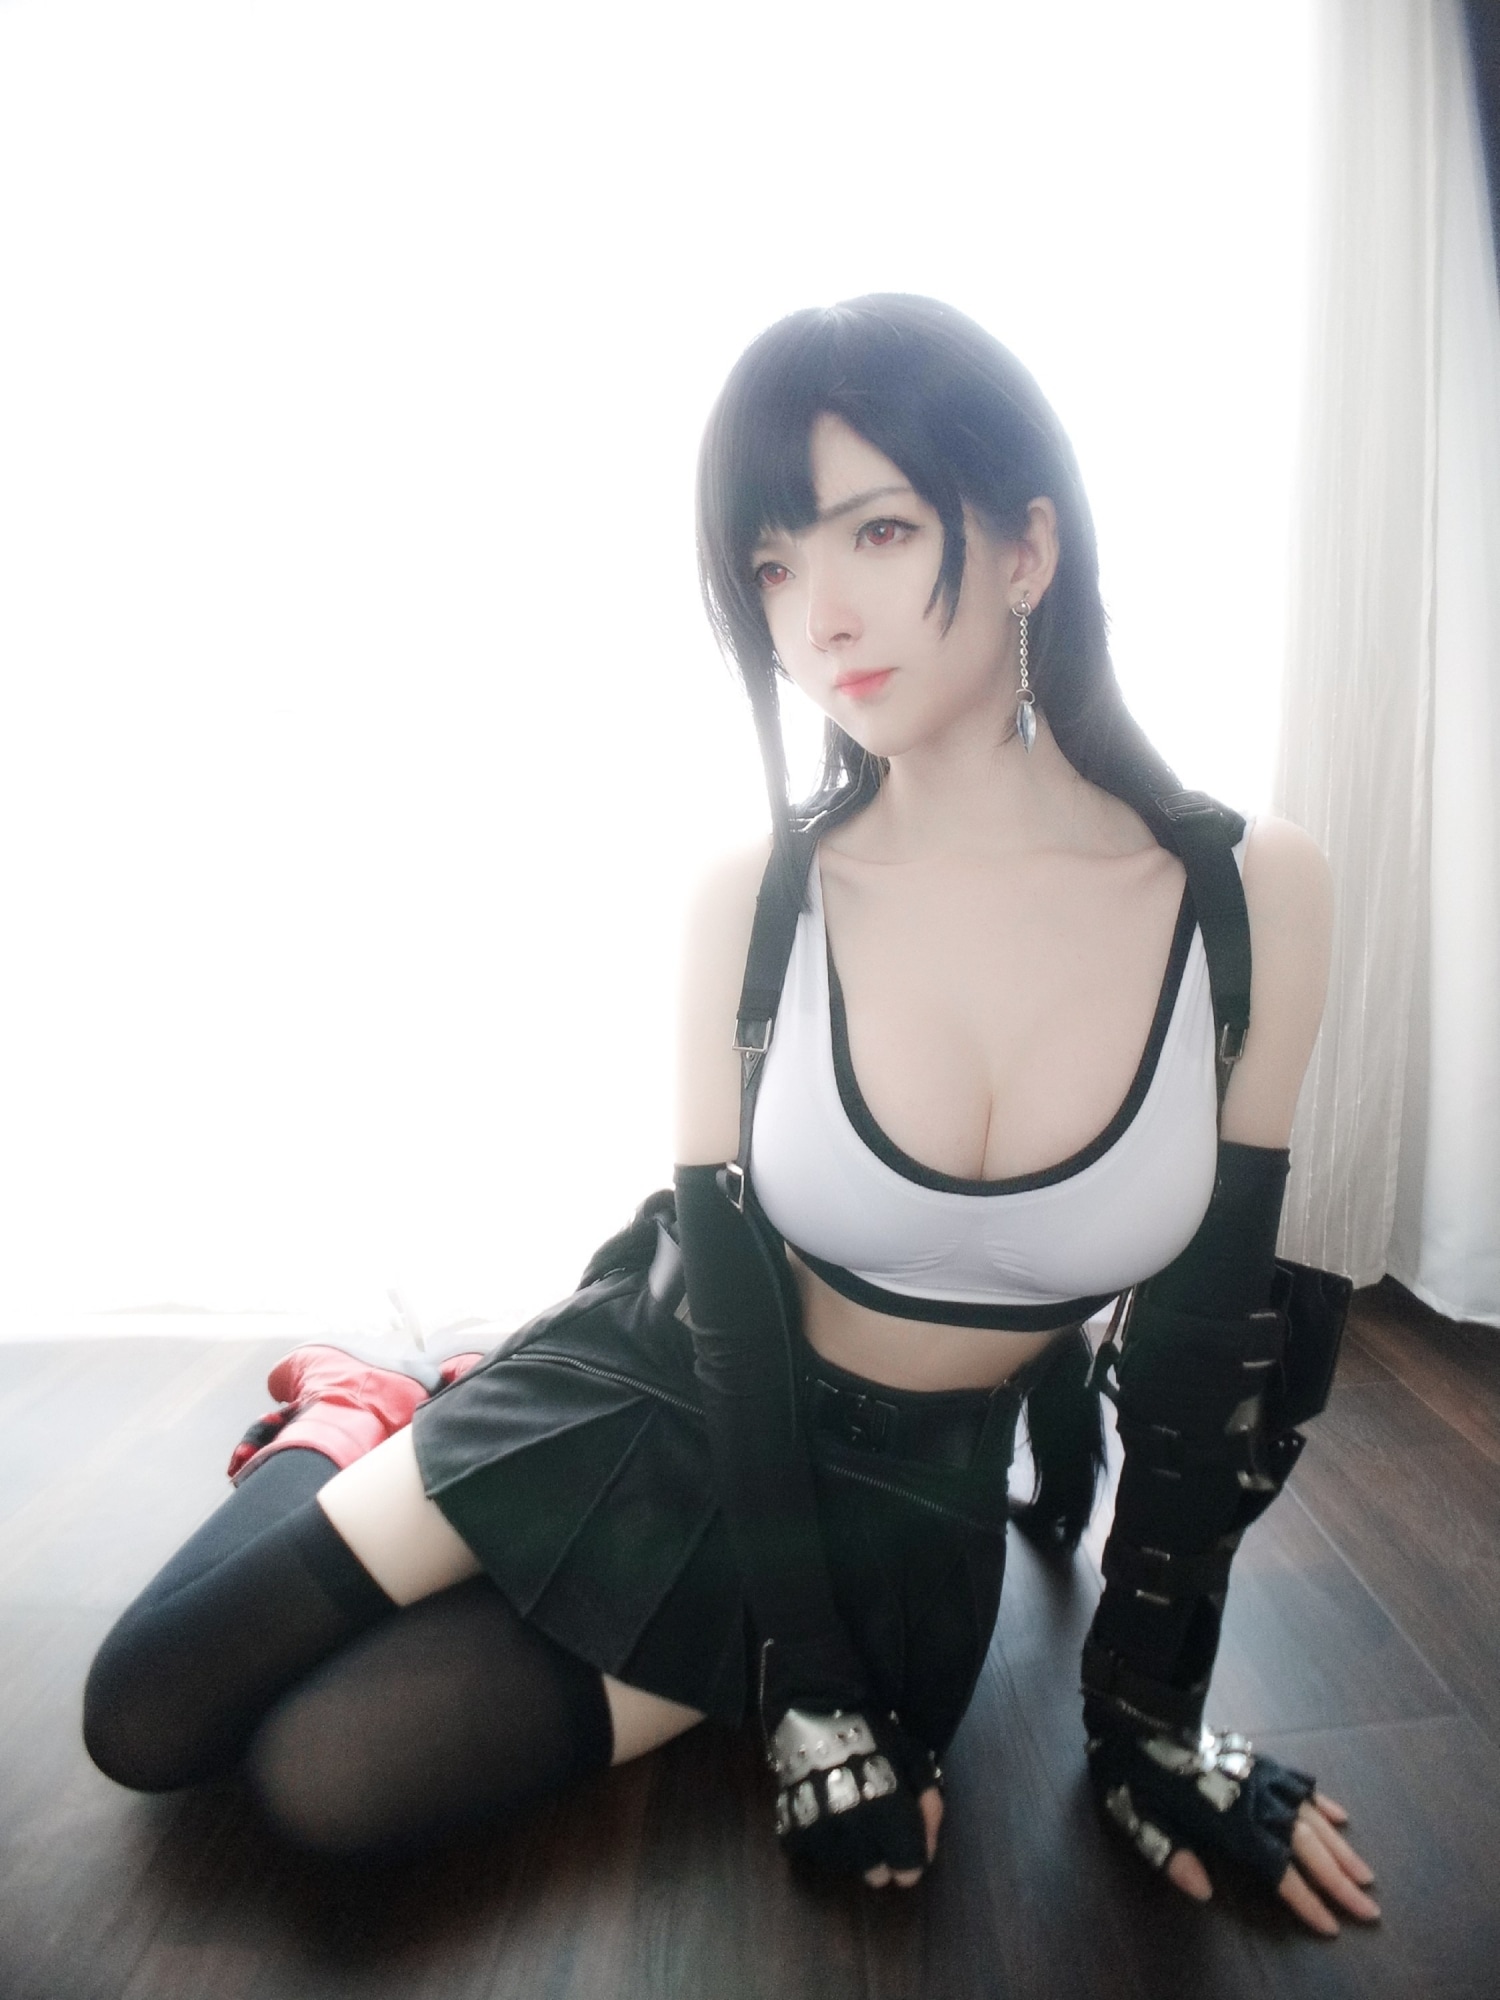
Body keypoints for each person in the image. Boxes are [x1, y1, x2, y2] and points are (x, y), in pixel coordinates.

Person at [83, 294, 1377, 1935]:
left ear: (1029, 547)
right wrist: (805, 1687)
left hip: (903, 1511)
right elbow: (730, 1309)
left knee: (327, 1777)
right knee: (146, 1713)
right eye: (771, 564)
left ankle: (443, 1481)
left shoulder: (1252, 897)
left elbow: (1204, 1354)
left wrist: (1150, 1722)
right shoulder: (757, 897)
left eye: (879, 530)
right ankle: (362, 1409)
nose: (818, 615)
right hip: (673, 1371)